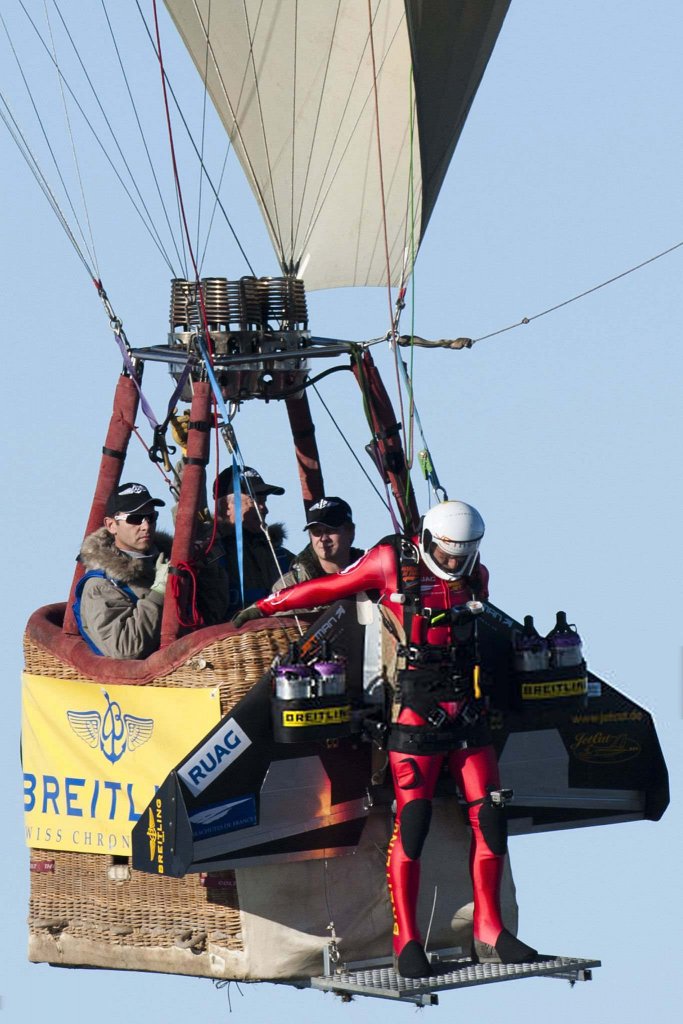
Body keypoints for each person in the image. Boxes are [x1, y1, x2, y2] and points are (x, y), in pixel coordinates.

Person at [233, 500, 537, 978]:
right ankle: (407, 941)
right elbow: (331, 585)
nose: (455, 564)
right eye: (448, 554)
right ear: (432, 540)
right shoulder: (393, 561)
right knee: (412, 822)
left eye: (465, 555)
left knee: (491, 818)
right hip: (414, 716)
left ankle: (491, 931)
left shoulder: (476, 577)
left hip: (467, 713)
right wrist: (267, 606)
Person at [74, 483, 170, 659]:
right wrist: (158, 594)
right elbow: (126, 648)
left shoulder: (166, 562)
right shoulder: (100, 586)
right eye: (135, 519)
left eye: (151, 517)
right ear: (111, 525)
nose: (145, 526)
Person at [214, 465, 294, 616]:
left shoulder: (282, 556)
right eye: (254, 500)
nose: (264, 508)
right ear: (226, 508)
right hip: (231, 637)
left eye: (264, 500)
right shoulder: (212, 554)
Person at [273, 496, 364, 592]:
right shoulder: (289, 586)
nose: (323, 538)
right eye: (317, 532)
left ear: (350, 531)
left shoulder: (376, 570)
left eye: (330, 530)